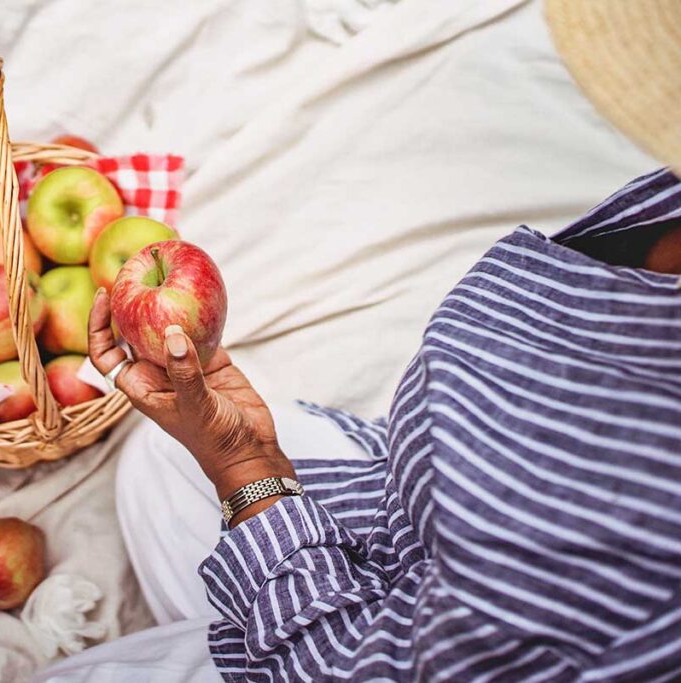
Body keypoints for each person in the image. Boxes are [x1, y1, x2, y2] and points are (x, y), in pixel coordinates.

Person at [38, 0, 681, 680]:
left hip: (361, 646)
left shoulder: (641, 555)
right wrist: (250, 455)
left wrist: (246, 472)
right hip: (402, 506)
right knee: (154, 468)